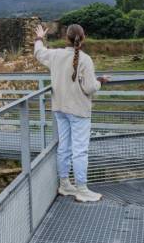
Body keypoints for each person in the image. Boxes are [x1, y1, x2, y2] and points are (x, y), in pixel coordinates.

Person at [34, 23, 109, 202]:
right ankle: (82, 189)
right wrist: (100, 81)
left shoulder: (55, 55)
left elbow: (38, 52)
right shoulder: (85, 59)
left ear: (66, 37)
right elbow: (90, 88)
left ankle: (65, 184)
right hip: (79, 110)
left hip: (60, 108)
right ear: (82, 38)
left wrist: (39, 38)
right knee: (80, 150)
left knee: (64, 147)